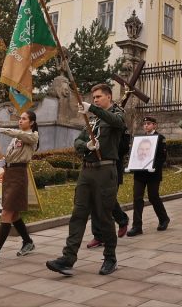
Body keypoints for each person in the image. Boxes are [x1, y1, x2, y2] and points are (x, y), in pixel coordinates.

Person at [46, 84, 125, 277]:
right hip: (87, 171)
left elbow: (116, 122)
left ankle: (110, 258)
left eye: (98, 97)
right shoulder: (93, 120)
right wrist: (87, 145)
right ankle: (68, 258)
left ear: (108, 96)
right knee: (78, 214)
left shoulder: (117, 114)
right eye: (94, 98)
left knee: (104, 216)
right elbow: (77, 141)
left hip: (105, 171)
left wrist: (92, 108)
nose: (95, 100)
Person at [0, 111, 39, 265]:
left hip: (19, 175)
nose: (20, 120)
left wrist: (1, 130)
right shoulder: (17, 137)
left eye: (24, 119)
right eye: (20, 118)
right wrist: (5, 162)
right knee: (14, 213)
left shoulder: (33, 136)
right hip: (10, 173)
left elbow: (19, 136)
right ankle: (28, 241)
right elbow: (14, 153)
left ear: (31, 122)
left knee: (6, 212)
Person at [127, 116, 169, 236]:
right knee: (137, 198)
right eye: (144, 124)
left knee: (153, 197)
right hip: (140, 173)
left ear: (155, 125)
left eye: (149, 123)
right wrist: (131, 164)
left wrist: (153, 165)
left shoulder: (161, 138)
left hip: (153, 174)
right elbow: (135, 154)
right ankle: (137, 226)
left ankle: (164, 219)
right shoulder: (140, 138)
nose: (146, 126)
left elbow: (162, 157)